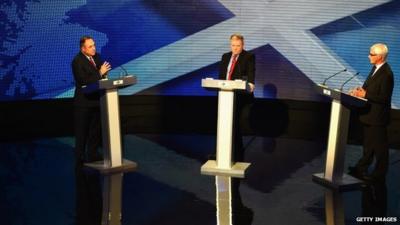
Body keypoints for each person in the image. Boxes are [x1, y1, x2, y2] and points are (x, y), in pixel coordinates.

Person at [349, 43, 394, 182]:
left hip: (378, 117)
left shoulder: (387, 73)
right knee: (368, 146)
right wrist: (359, 92)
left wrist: (366, 94)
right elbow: (368, 89)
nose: (369, 56)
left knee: (380, 148)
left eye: (372, 54)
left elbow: (384, 97)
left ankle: (379, 175)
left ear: (380, 57)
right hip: (369, 114)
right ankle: (361, 168)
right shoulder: (375, 68)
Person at [72, 36, 111, 163]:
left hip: (96, 100)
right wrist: (100, 73)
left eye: (94, 45)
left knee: (95, 130)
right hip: (83, 102)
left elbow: (101, 75)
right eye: (90, 46)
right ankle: (80, 158)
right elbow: (83, 81)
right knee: (82, 131)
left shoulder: (97, 57)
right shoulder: (77, 61)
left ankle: (92, 154)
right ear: (83, 49)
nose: (94, 48)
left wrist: (104, 74)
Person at [218, 34, 255, 162]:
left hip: (240, 97)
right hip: (225, 96)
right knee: (223, 123)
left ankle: (237, 154)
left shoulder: (248, 57)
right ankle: (222, 152)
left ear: (242, 45)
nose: (235, 48)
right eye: (233, 45)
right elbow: (221, 77)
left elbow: (251, 74)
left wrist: (250, 83)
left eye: (238, 46)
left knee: (235, 125)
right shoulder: (225, 56)